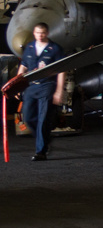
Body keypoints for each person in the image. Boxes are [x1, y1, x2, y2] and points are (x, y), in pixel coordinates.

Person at [16, 22, 66, 161]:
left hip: (47, 86)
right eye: (38, 33)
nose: (40, 35)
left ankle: (41, 151)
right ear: (34, 33)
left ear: (47, 33)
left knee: (43, 119)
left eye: (43, 33)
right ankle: (44, 138)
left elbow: (61, 70)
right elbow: (23, 67)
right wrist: (16, 85)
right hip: (31, 87)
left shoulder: (55, 49)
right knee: (28, 118)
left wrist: (59, 91)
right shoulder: (30, 48)